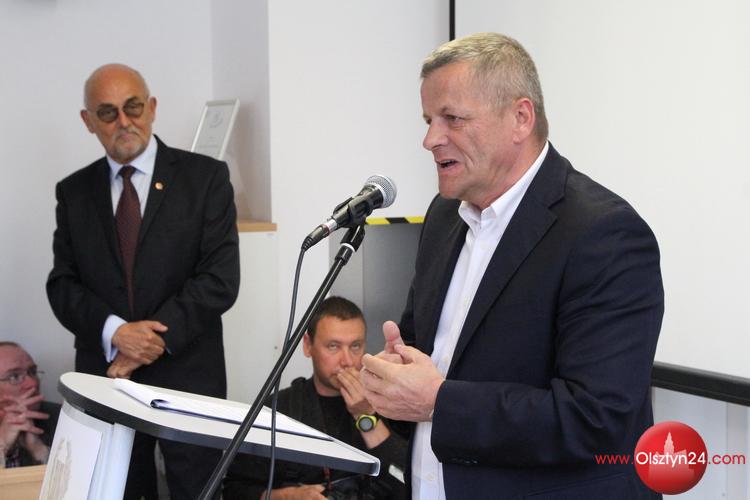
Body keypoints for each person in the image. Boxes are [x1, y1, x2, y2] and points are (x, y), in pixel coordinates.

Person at [360, 33, 664, 499]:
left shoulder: (605, 234)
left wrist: (438, 401)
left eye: (452, 118)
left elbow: (594, 418)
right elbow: (427, 353)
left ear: (521, 118)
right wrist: (395, 379)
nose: (430, 139)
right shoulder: (444, 217)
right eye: (428, 120)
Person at [46, 63, 240, 499]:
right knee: (118, 491)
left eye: (133, 107)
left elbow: (220, 279)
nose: (124, 121)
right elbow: (63, 284)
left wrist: (148, 341)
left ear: (151, 107)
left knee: (198, 492)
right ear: (88, 121)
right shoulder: (73, 192)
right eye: (108, 112)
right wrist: (117, 333)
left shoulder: (206, 178)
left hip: (190, 377)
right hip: (108, 379)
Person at [223, 296, 407, 500]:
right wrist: (288, 496)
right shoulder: (278, 410)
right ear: (307, 345)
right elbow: (234, 491)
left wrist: (366, 416)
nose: (347, 361)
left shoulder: (387, 404)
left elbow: (408, 482)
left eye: (355, 346)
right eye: (333, 346)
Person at [0, 342, 60, 469]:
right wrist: (2, 445)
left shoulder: (60, 418)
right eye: (14, 376)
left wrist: (39, 451)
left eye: (32, 372)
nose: (33, 383)